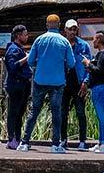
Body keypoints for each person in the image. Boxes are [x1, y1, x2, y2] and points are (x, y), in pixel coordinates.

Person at [19, 14, 75, 153]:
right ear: (60, 25)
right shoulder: (64, 42)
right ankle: (55, 145)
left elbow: (31, 61)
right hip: (57, 82)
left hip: (40, 80)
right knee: (56, 112)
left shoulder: (39, 40)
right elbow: (72, 63)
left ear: (46, 25)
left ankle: (24, 142)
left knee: (34, 111)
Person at [60, 19, 92, 151]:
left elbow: (89, 65)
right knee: (62, 113)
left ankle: (83, 141)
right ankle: (63, 140)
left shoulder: (83, 45)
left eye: (75, 29)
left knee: (80, 113)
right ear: (65, 30)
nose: (73, 32)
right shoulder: (61, 44)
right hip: (63, 83)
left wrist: (86, 82)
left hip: (78, 83)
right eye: (70, 29)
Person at [83, 30, 104, 153]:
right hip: (98, 87)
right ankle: (101, 142)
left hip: (102, 88)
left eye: (94, 39)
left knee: (102, 116)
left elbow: (99, 70)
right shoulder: (100, 55)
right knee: (100, 116)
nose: (93, 41)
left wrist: (88, 63)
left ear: (99, 40)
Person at [3, 24, 31, 150]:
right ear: (18, 36)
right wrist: (27, 58)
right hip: (15, 85)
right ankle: (11, 139)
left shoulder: (19, 48)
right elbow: (12, 67)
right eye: (25, 34)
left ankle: (18, 138)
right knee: (13, 112)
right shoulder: (13, 49)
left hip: (23, 84)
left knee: (20, 113)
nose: (27, 37)